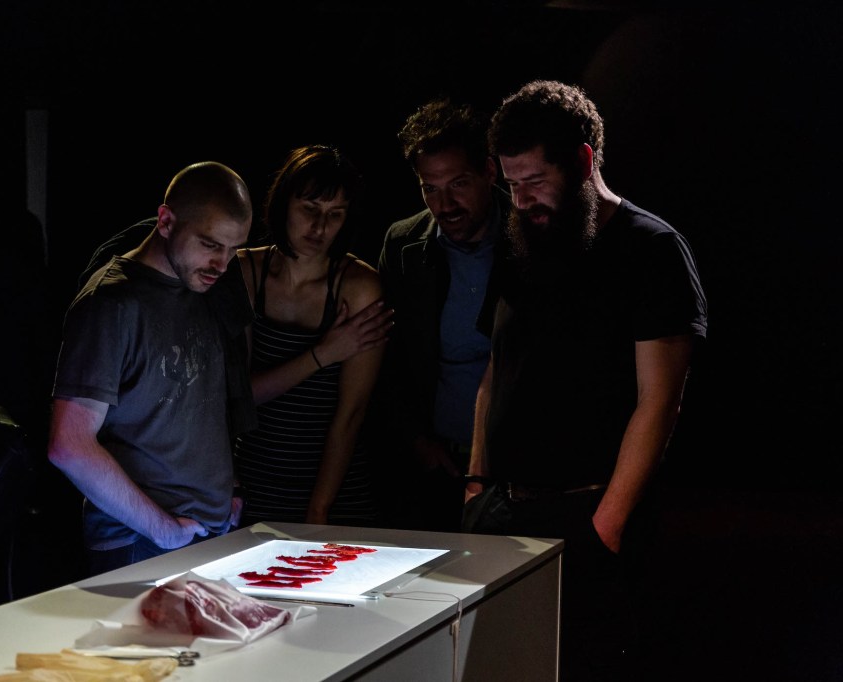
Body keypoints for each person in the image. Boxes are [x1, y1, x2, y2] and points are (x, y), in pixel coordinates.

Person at [463, 80, 708, 681]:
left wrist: (607, 525)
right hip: (502, 511)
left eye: (535, 180)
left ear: (582, 160)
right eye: (511, 184)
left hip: (589, 516)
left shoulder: (652, 249)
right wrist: (476, 486)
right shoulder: (520, 242)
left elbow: (660, 401)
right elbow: (495, 371)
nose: (522, 199)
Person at [47, 162, 256, 577]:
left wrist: (228, 490)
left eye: (233, 249)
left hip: (206, 532)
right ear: (165, 221)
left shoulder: (207, 288)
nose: (221, 263)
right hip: (141, 541)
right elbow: (69, 444)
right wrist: (162, 529)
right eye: (210, 244)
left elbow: (211, 402)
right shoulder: (110, 303)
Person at [233, 145, 392, 527]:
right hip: (253, 483)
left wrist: (318, 510)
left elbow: (351, 414)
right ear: (284, 202)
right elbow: (239, 398)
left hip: (334, 492)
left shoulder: (359, 287)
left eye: (335, 214)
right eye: (310, 209)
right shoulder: (245, 272)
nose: (320, 227)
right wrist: (323, 354)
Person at [374, 97, 510, 532]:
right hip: (433, 465)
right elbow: (386, 356)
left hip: (516, 467)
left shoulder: (531, 235)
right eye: (430, 188)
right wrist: (417, 441)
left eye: (458, 183)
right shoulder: (403, 244)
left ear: (490, 171)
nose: (444, 203)